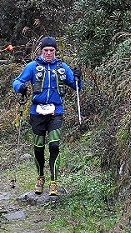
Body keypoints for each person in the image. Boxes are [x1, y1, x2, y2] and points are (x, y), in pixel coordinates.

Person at [12, 36, 81, 196]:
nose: (49, 53)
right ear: (41, 51)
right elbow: (17, 81)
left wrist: (78, 77)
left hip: (56, 112)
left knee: (54, 146)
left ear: (55, 51)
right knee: (38, 148)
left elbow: (76, 86)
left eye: (51, 50)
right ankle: (40, 177)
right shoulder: (32, 66)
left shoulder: (62, 67)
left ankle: (54, 182)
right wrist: (20, 87)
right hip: (37, 112)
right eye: (46, 50)